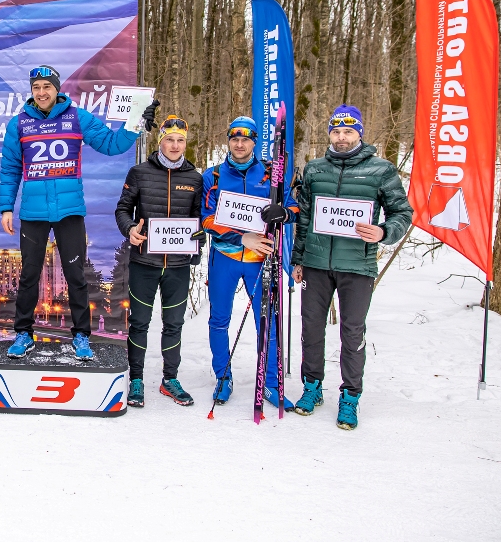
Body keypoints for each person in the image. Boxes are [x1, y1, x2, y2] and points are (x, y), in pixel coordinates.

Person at [0, 66, 157, 361]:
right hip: (33, 213)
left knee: (76, 275)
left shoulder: (76, 117)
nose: (42, 92)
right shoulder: (18, 124)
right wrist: (6, 207)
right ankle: (23, 333)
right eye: (37, 87)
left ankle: (81, 335)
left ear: (57, 89)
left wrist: (135, 122)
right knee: (29, 275)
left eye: (47, 86)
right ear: (31, 91)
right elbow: (9, 168)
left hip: (70, 211)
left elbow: (111, 144)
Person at [290, 105, 412, 430]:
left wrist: (384, 231)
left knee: (352, 332)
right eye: (336, 131)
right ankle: (312, 387)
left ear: (359, 133)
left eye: (348, 131)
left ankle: (350, 397)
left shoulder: (381, 171)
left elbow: (403, 213)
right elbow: (303, 218)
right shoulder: (314, 169)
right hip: (316, 264)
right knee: (311, 328)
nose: (342, 137)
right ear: (329, 133)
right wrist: (298, 259)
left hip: (357, 266)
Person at [201, 116, 298, 409]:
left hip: (262, 260)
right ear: (228, 140)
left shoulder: (273, 173)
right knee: (219, 320)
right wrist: (241, 237)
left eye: (246, 139)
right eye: (234, 138)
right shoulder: (213, 175)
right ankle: (223, 376)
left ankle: (269, 382)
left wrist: (283, 213)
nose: (240, 144)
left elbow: (294, 206)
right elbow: (205, 219)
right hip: (226, 258)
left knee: (266, 322)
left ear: (255, 142)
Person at [115, 115, 204, 407]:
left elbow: (199, 219)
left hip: (177, 265)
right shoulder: (139, 172)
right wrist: (130, 230)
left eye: (180, 140)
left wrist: (198, 239)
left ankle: (170, 379)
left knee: (174, 323)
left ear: (185, 143)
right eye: (169, 139)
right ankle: (137, 378)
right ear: (160, 141)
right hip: (145, 261)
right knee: (139, 322)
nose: (175, 145)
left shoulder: (194, 178)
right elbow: (123, 209)